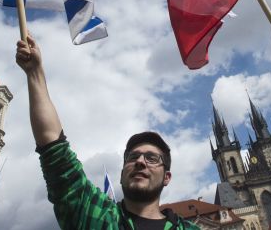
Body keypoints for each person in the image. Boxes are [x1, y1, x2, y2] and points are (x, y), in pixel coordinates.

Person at [16, 34, 199, 229]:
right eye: (132, 157)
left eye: (152, 158)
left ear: (167, 177)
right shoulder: (95, 215)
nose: (140, 162)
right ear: (121, 175)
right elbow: (53, 146)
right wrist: (35, 73)